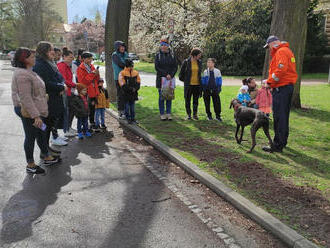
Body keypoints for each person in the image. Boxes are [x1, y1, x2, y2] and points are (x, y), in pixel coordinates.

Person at [11, 48, 60, 174]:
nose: (34, 59)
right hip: (30, 112)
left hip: (36, 110)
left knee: (41, 132)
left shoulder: (28, 71)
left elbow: (34, 91)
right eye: (32, 57)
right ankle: (31, 165)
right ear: (24, 59)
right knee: (31, 136)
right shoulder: (22, 74)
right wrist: (36, 116)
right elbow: (25, 98)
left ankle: (46, 156)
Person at [262, 35, 297, 153]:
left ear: (273, 43)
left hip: (281, 89)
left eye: (269, 46)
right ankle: (282, 141)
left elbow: (280, 70)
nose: (269, 49)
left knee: (279, 117)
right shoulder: (287, 51)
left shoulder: (281, 52)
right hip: (286, 88)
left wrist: (269, 82)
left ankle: (277, 145)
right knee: (284, 116)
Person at [33, 41, 67, 153]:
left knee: (49, 125)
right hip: (47, 101)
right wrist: (61, 87)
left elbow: (59, 76)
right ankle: (45, 152)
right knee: (45, 128)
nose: (53, 52)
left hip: (54, 99)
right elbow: (45, 83)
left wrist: (62, 85)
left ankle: (47, 149)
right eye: (51, 50)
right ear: (45, 51)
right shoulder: (40, 64)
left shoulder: (49, 62)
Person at [154, 37, 178, 121]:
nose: (164, 47)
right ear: (160, 46)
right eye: (162, 45)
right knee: (161, 97)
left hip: (170, 79)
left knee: (169, 96)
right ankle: (162, 113)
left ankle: (168, 113)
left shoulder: (172, 55)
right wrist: (165, 74)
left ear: (168, 46)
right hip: (161, 79)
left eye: (165, 45)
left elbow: (175, 66)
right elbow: (157, 67)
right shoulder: (158, 55)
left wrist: (170, 75)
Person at [77, 51, 100, 131]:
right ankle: (85, 125)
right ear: (83, 59)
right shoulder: (80, 68)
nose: (90, 60)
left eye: (91, 58)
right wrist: (92, 74)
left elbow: (96, 79)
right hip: (86, 91)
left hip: (93, 90)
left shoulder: (92, 66)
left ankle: (92, 123)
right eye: (88, 58)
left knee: (92, 108)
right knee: (86, 109)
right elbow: (83, 81)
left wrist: (97, 74)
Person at [57, 47, 76, 137]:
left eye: (72, 58)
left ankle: (69, 127)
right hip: (66, 92)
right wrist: (75, 85)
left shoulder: (67, 66)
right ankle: (66, 129)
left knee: (71, 110)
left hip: (70, 91)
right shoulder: (61, 66)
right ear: (64, 57)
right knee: (67, 111)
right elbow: (64, 80)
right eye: (70, 57)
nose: (71, 59)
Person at [179, 48, 203, 120]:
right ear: (194, 55)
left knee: (196, 100)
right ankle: (188, 114)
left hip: (197, 85)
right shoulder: (186, 62)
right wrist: (186, 81)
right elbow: (181, 74)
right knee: (187, 100)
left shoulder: (199, 62)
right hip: (189, 85)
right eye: (199, 55)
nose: (200, 56)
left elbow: (199, 73)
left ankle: (195, 114)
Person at [118, 59, 141, 124]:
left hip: (133, 93)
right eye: (130, 66)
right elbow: (122, 84)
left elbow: (138, 82)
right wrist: (131, 89)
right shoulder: (122, 73)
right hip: (126, 94)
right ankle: (128, 118)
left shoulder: (136, 73)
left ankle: (133, 118)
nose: (131, 67)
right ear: (127, 66)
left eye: (132, 66)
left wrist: (136, 88)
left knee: (132, 107)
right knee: (127, 107)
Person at [112, 41, 128, 119]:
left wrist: (127, 64)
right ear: (117, 47)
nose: (122, 48)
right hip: (119, 78)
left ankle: (126, 111)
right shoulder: (115, 55)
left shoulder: (126, 54)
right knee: (120, 95)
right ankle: (120, 111)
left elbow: (130, 64)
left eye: (123, 46)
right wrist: (126, 64)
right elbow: (121, 64)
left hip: (127, 77)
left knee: (126, 94)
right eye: (121, 47)